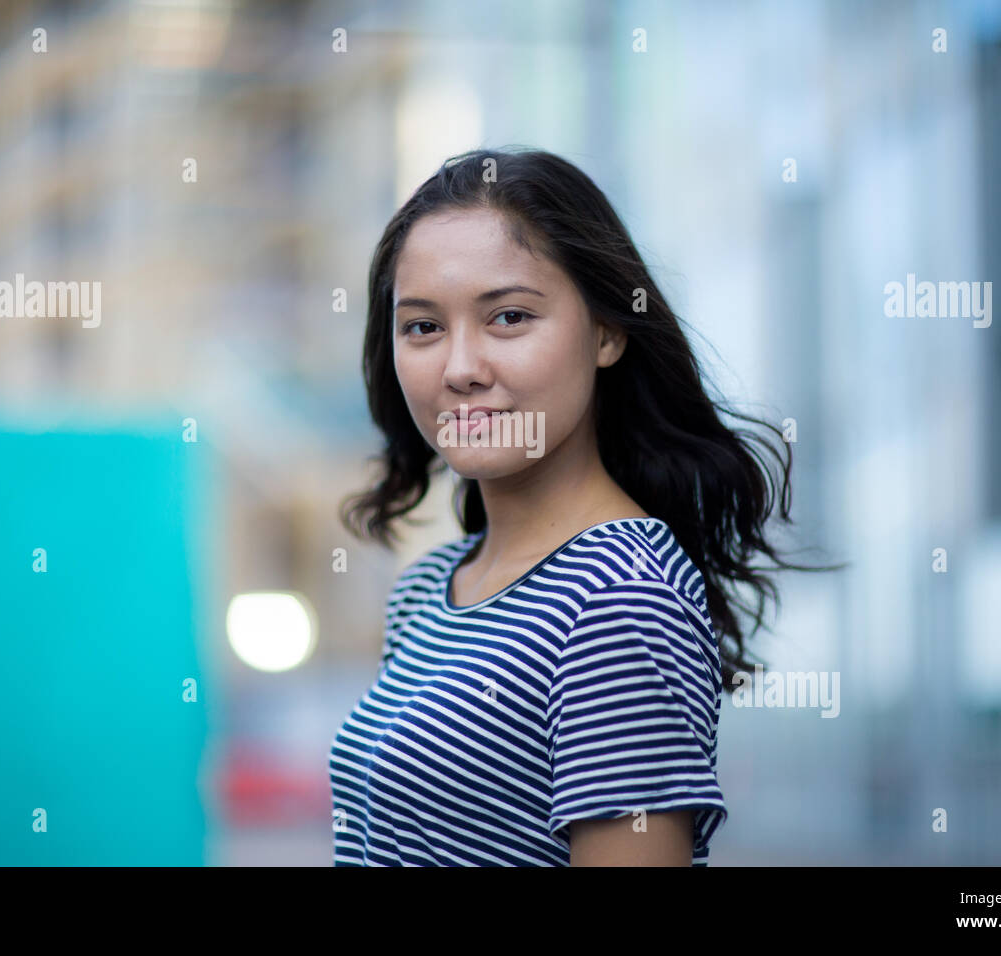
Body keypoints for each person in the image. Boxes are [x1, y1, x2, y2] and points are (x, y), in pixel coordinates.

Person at [329, 147, 841, 866]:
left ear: (606, 331)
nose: (461, 369)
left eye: (508, 317)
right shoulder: (428, 587)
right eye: (422, 327)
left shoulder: (615, 595)